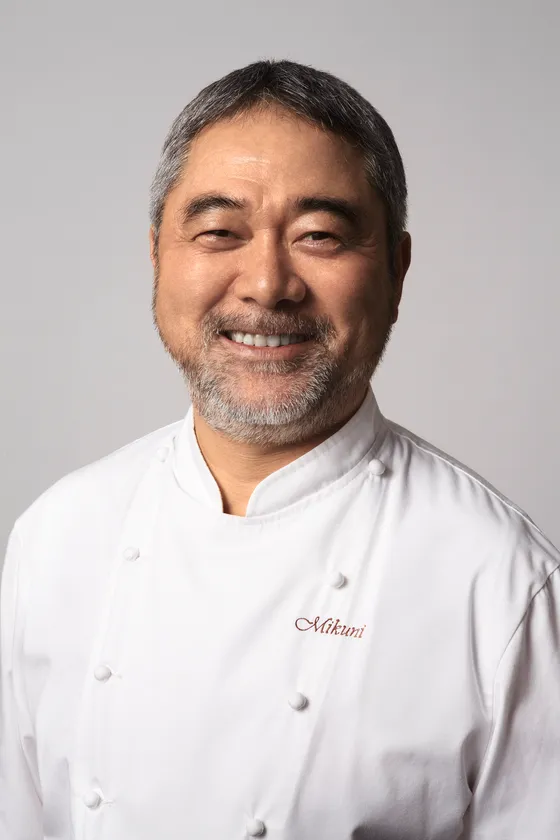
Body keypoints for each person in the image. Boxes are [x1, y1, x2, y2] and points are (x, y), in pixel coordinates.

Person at [1, 59, 559, 840]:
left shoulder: (500, 582)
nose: (267, 284)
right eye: (219, 232)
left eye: (319, 236)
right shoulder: (57, 536)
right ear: (158, 256)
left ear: (396, 271)